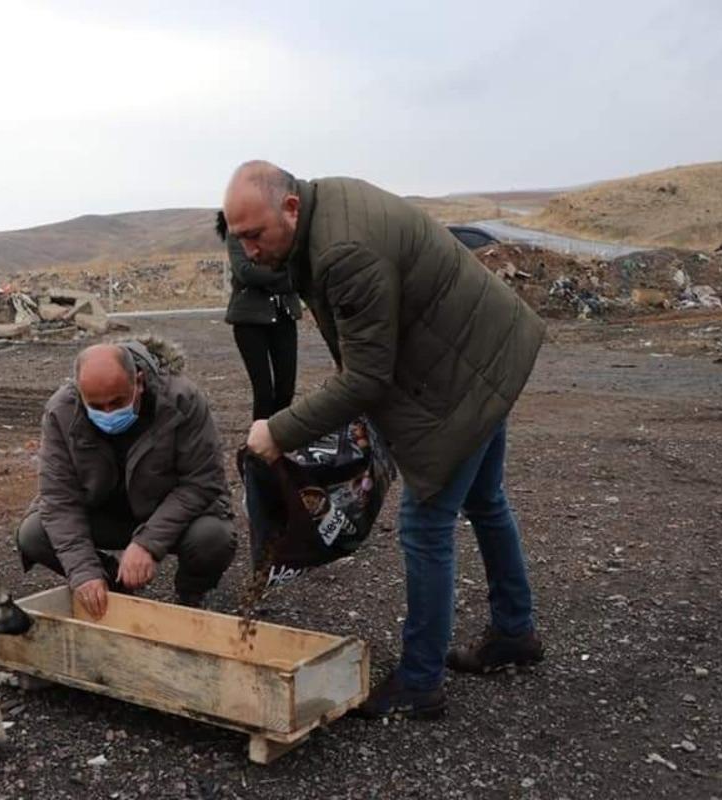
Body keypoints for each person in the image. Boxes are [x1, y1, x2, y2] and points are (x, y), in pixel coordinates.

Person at [224, 160, 546, 718]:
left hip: (462, 374)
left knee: (427, 525)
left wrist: (277, 431)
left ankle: (420, 682)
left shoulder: (341, 251)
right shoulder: (327, 206)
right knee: (486, 500)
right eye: (239, 238)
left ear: (290, 208)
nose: (248, 250)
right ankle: (515, 631)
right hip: (486, 345)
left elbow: (368, 377)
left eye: (255, 234)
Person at [16, 337, 235, 619]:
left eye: (117, 401)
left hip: (166, 508)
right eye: (96, 405)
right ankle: (112, 588)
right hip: (104, 512)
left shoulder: (182, 400)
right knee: (34, 534)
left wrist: (148, 543)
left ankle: (193, 593)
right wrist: (84, 572)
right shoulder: (62, 411)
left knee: (213, 537)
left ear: (139, 382)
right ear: (81, 394)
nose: (108, 413)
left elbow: (202, 482)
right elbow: (59, 499)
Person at [217, 210, 302, 421]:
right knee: (264, 392)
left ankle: (277, 444)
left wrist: (276, 275)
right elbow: (245, 272)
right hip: (249, 322)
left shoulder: (283, 230)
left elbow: (299, 268)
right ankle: (258, 450)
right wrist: (284, 275)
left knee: (286, 390)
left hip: (284, 316)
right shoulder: (236, 231)